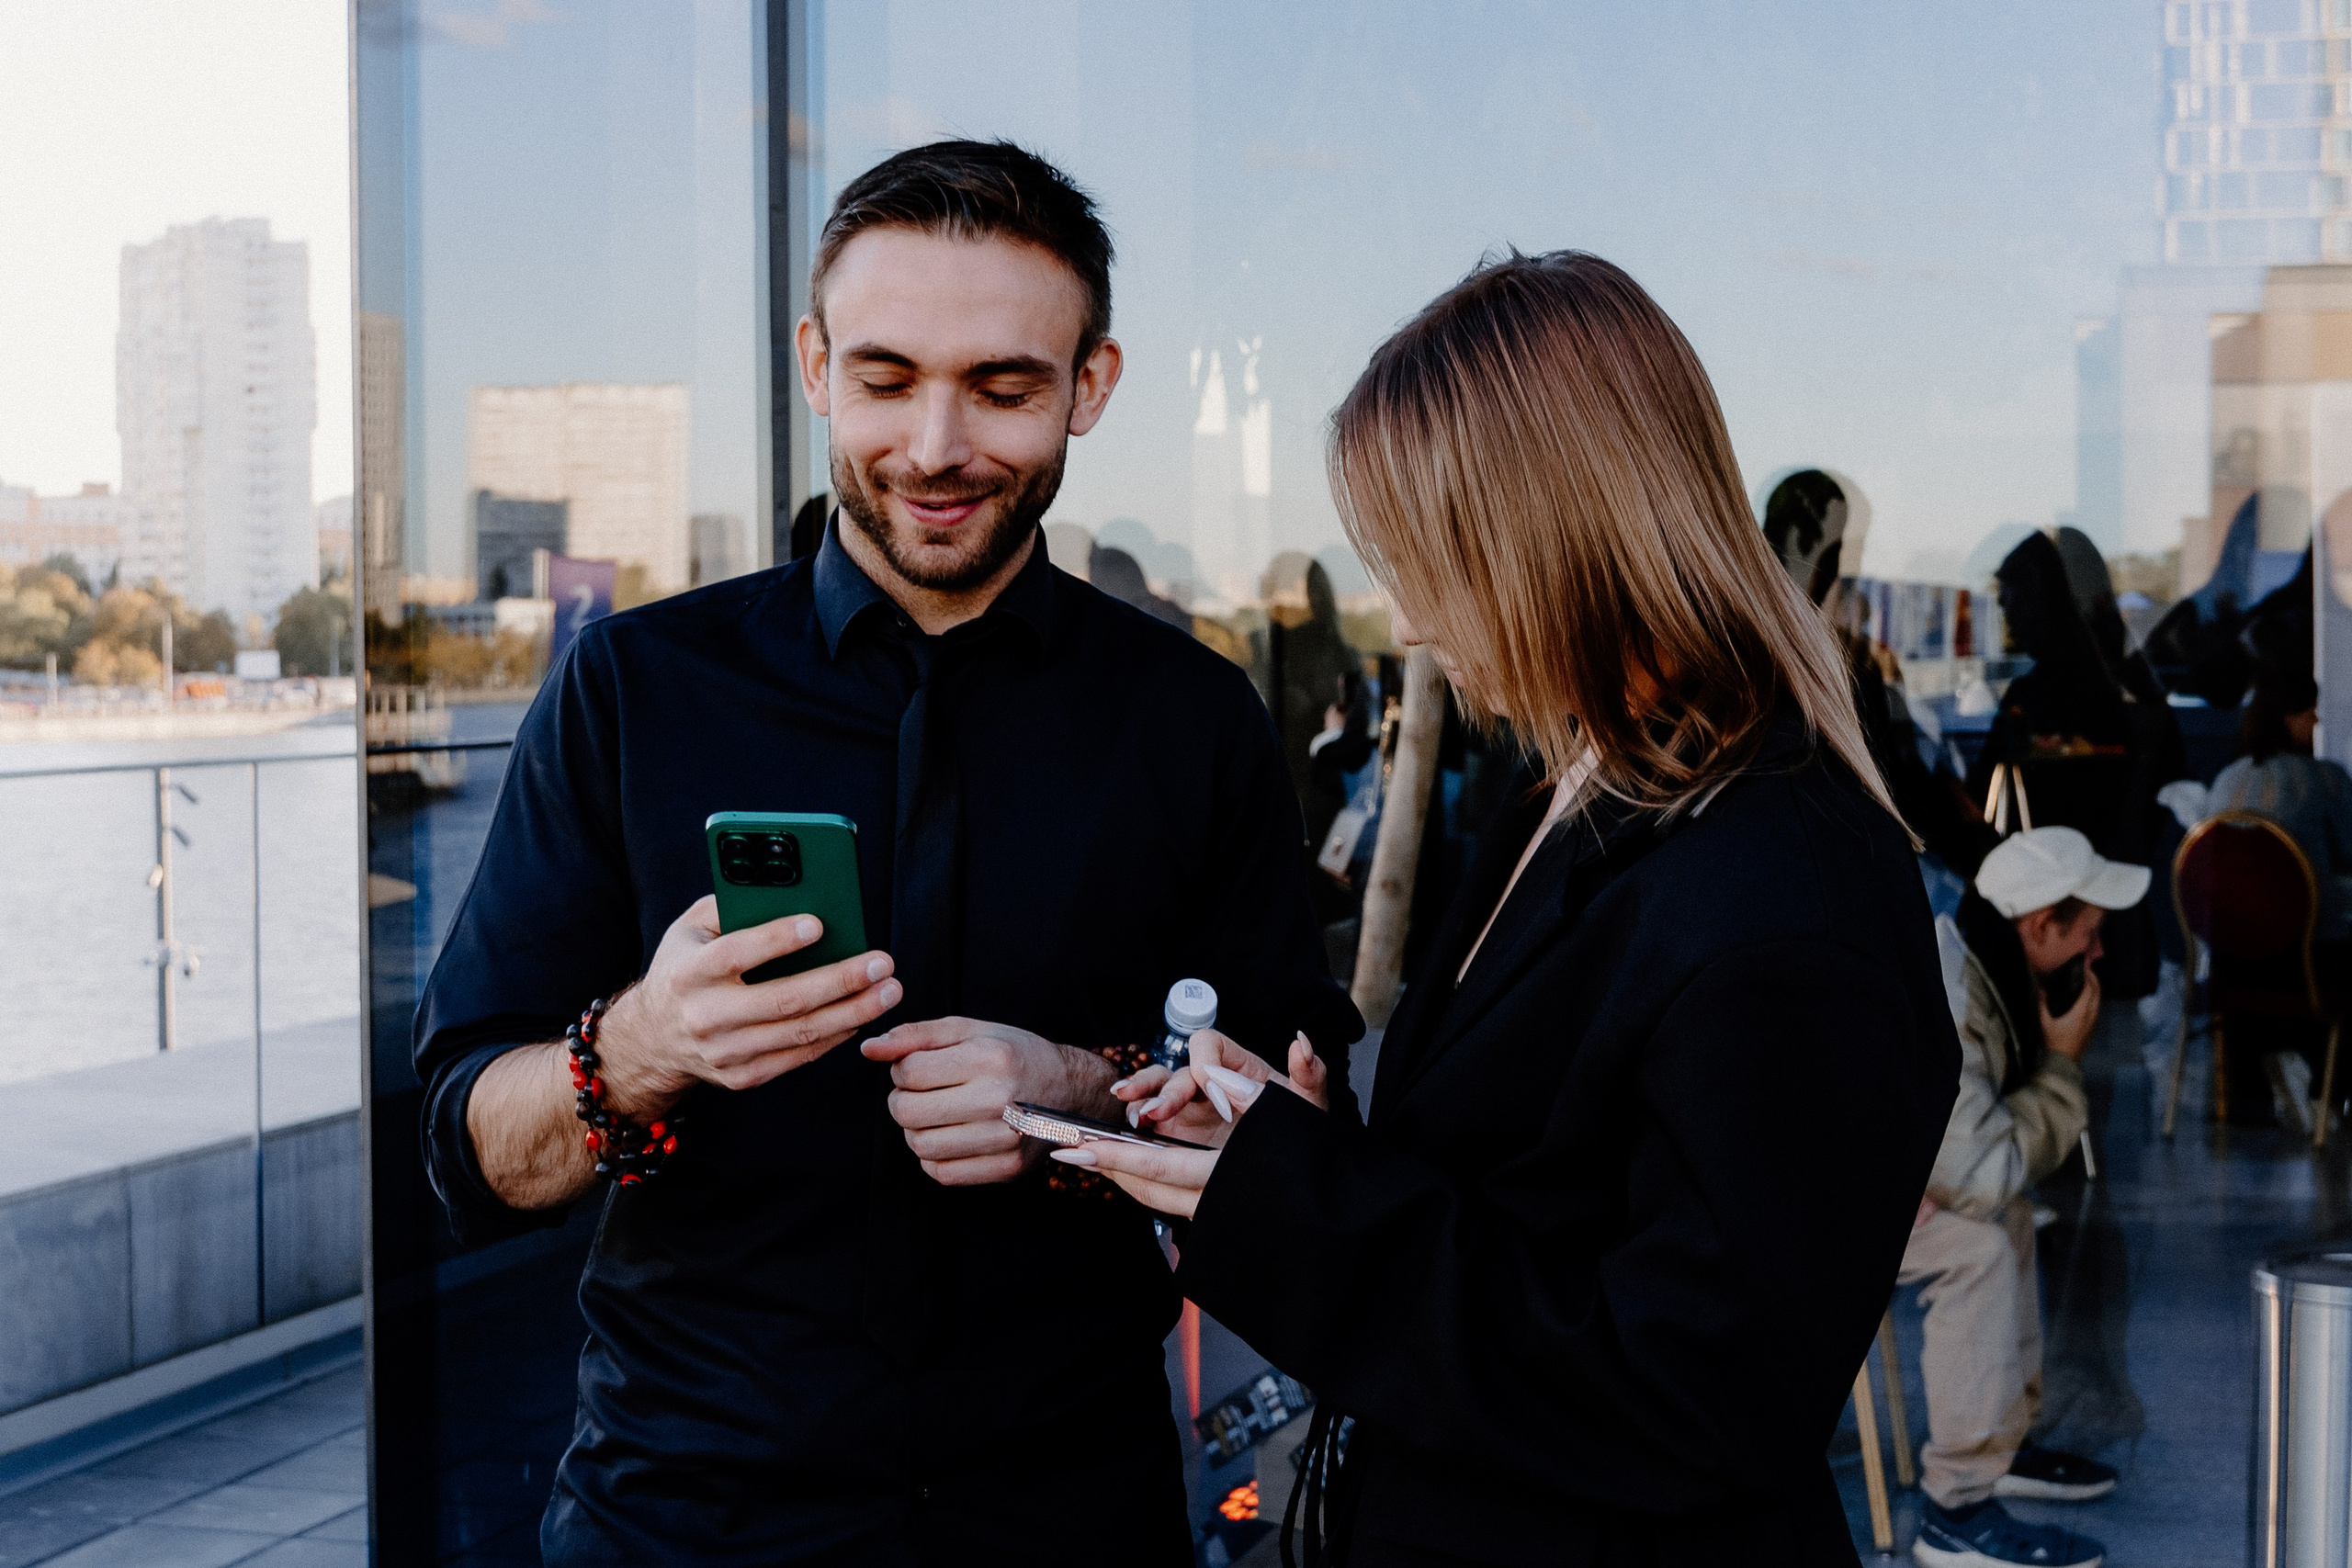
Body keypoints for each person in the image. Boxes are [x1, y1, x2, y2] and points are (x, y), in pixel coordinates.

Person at [414, 140, 1360, 1564]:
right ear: (815, 366)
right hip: (682, 1520)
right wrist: (647, 1043)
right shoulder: (632, 690)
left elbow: (1301, 1125)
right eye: (886, 378)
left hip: (1068, 1522)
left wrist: (1076, 1090)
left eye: (1002, 388)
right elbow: (470, 1149)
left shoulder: (1193, 719)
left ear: (1091, 385)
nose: (933, 447)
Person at [1071, 250, 1961, 1566]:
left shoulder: (1785, 891)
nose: (1409, 622)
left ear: (1551, 544)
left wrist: (1296, 1210)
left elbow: (1697, 1399)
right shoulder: (1580, 784)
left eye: (1427, 564)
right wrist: (1302, 1152)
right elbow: (1530, 1199)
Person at [1900, 827, 2148, 1568]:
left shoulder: (1990, 969)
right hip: (1812, 1208)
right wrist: (2063, 1066)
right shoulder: (1956, 993)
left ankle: (1999, 1445)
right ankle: (1955, 1509)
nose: (2096, 953)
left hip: (1881, 1181)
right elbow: (1987, 1167)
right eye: (2088, 933)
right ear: (2040, 926)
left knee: (2008, 1219)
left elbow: (1977, 1165)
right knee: (1978, 1245)